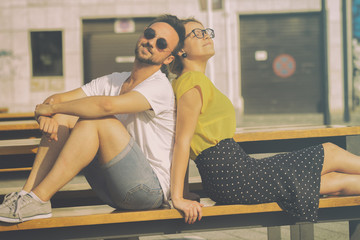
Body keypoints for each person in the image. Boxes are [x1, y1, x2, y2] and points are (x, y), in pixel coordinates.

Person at [169, 18, 360, 224]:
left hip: (233, 175)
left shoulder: (195, 82)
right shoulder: (191, 83)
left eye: (205, 31)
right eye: (196, 33)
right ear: (180, 50)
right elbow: (182, 142)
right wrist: (178, 197)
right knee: (329, 151)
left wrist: (185, 191)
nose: (206, 35)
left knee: (334, 180)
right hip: (234, 177)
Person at [0, 14, 185, 223]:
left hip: (148, 190)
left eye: (161, 44)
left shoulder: (159, 86)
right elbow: (56, 99)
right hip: (112, 184)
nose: (151, 42)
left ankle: (39, 198)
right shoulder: (114, 80)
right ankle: (27, 196)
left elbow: (105, 106)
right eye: (150, 34)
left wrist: (50, 109)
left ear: (168, 59)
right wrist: (50, 113)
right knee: (64, 117)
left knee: (99, 119)